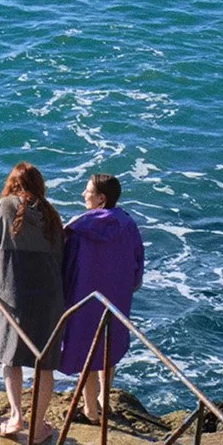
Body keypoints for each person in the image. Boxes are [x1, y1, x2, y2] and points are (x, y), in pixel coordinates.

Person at [0, 162, 66, 438]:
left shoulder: (6, 206)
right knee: (44, 363)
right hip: (50, 297)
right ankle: (38, 427)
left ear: (13, 184)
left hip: (15, 295)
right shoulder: (51, 213)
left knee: (11, 358)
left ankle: (16, 418)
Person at [59, 173, 145, 424]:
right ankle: (104, 401)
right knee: (109, 346)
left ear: (101, 199)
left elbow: (66, 263)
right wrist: (130, 285)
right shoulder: (128, 224)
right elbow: (138, 260)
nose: (83, 194)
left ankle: (90, 411)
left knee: (87, 348)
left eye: (88, 191)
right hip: (117, 296)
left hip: (85, 296)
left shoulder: (79, 228)